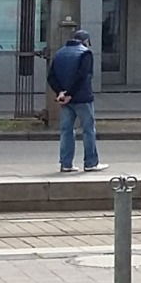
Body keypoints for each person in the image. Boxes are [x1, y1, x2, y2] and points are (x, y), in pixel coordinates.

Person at [47, 29, 105, 174]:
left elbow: (51, 77)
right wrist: (70, 94)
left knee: (66, 131)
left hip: (65, 101)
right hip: (82, 98)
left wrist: (61, 93)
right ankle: (91, 162)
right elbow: (83, 76)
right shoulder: (85, 53)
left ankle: (66, 164)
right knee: (88, 130)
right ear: (86, 41)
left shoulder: (59, 53)